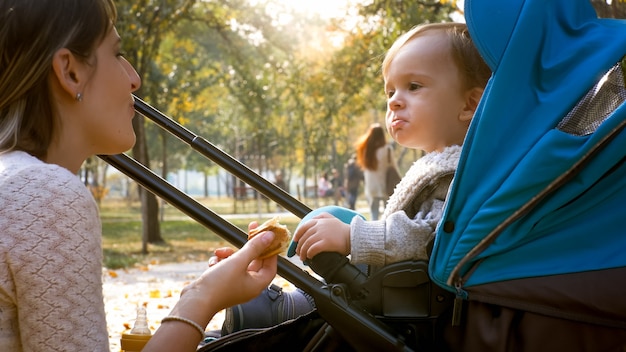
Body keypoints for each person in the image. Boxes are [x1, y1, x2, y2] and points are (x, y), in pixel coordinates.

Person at [0, 1, 277, 351]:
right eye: (117, 54)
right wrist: (203, 297)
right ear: (69, 71)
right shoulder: (46, 195)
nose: (134, 78)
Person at [293, 22, 491, 267]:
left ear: (469, 105)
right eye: (390, 92)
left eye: (413, 86)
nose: (394, 101)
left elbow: (430, 237)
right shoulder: (439, 164)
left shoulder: (461, 176)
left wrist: (352, 237)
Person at [354, 123, 396, 220]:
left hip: (371, 186)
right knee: (388, 213)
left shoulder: (366, 151)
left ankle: (373, 232)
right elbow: (393, 167)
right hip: (385, 185)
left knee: (374, 214)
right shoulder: (387, 149)